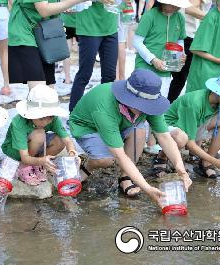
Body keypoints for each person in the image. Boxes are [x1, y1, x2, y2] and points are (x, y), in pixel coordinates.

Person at [69, 69, 191, 206]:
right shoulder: (105, 106)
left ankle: (125, 177)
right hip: (88, 127)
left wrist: (181, 169)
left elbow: (165, 137)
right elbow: (120, 156)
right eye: (143, 105)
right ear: (129, 98)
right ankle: (87, 167)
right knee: (106, 159)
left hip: (121, 124)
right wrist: (147, 188)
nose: (147, 109)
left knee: (139, 131)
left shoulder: (149, 100)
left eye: (149, 105)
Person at [165, 71, 220, 178]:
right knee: (181, 139)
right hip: (168, 130)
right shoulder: (194, 102)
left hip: (192, 127)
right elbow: (190, 143)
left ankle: (206, 163)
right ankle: (161, 157)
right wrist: (217, 162)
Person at [132, 0, 190, 155]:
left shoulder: (179, 17)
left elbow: (179, 39)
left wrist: (181, 53)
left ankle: (151, 143)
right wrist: (153, 59)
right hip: (145, 68)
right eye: (173, 4)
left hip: (166, 69)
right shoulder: (150, 16)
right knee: (141, 105)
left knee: (159, 105)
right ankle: (135, 140)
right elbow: (137, 41)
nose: (176, 7)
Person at [2, 85, 79, 186]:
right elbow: (24, 156)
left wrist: (73, 153)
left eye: (50, 117)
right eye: (41, 118)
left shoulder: (53, 118)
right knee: (39, 134)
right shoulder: (18, 122)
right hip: (15, 150)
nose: (46, 122)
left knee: (60, 140)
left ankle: (38, 164)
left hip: (35, 145)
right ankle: (24, 167)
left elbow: (67, 140)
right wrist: (36, 160)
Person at [7, 0, 88, 91]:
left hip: (45, 31)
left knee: (49, 88)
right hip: (24, 32)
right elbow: (44, 10)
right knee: (39, 90)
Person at [69, 0, 119, 112]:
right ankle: (74, 113)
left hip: (110, 26)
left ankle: (105, 111)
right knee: (85, 73)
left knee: (110, 76)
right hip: (89, 27)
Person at [167, 0, 212, 103]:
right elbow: (187, 8)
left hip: (194, 38)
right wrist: (213, 19)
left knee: (181, 78)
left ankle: (167, 107)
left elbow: (191, 6)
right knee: (172, 74)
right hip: (179, 36)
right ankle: (163, 107)